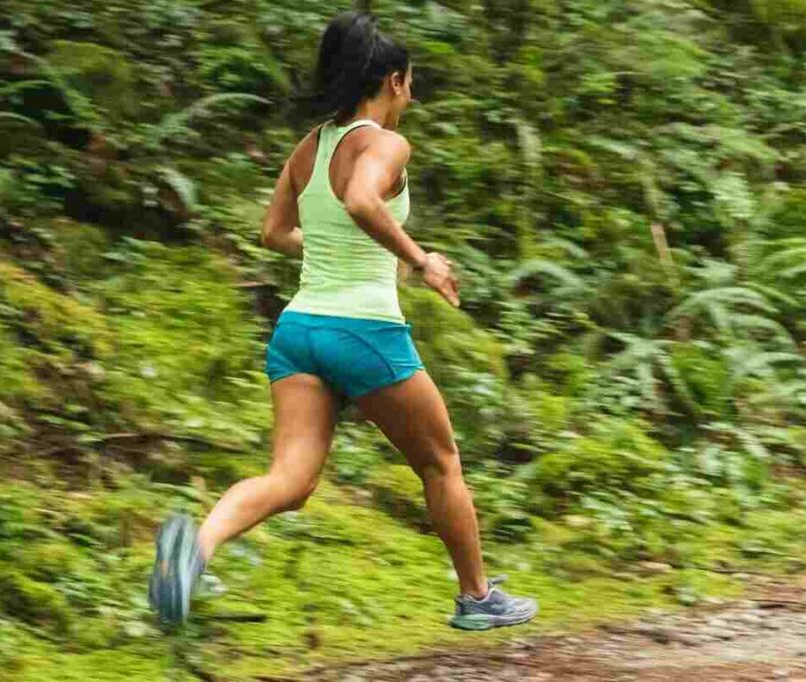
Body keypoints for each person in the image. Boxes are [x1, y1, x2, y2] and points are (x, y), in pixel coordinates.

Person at [148, 10, 538, 632]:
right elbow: (360, 198)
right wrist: (421, 261)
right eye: (410, 82)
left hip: (299, 331)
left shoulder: (310, 146)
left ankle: (194, 551)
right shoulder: (385, 143)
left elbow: (273, 233)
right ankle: (478, 598)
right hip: (363, 330)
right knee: (441, 463)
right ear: (391, 81)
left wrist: (335, 247)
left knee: (291, 480)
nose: (412, 94)